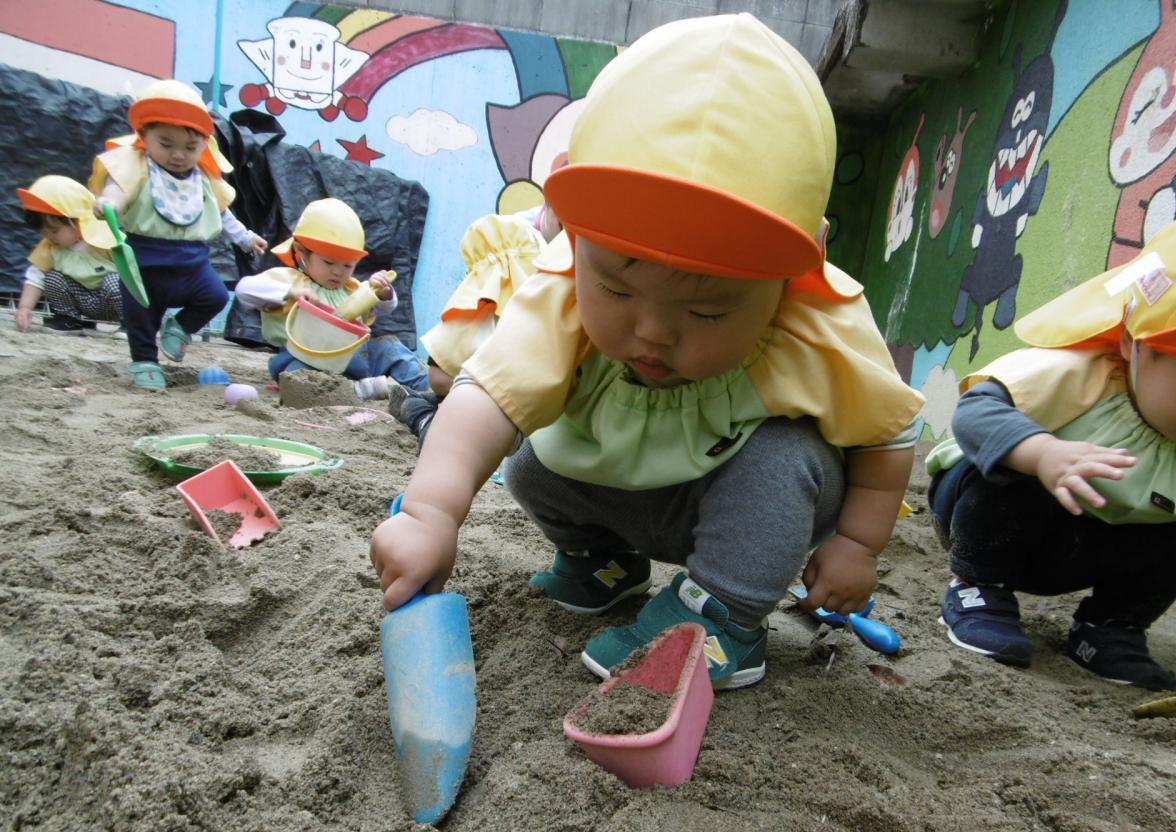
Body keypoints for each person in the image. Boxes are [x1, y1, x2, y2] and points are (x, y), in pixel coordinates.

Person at [370, 14, 924, 690]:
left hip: (737, 508)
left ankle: (725, 616)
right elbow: (484, 398)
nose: (654, 332)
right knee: (528, 454)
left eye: (708, 310)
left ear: (797, 268)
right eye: (617, 287)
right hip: (619, 488)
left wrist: (858, 543)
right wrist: (429, 513)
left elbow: (886, 436)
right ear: (573, 232)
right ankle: (603, 562)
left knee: (786, 457)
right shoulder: (560, 289)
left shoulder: (818, 321)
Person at [927, 207, 1176, 690]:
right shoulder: (1077, 375)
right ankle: (976, 589)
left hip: (1092, 550)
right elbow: (975, 413)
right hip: (992, 524)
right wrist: (1043, 453)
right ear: (1135, 343)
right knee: (1007, 474)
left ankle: (1109, 628)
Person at [90, 79, 267, 391]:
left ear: (203, 145)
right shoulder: (136, 166)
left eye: (189, 147)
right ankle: (145, 361)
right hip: (144, 263)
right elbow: (117, 187)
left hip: (191, 263)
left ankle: (180, 328)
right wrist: (109, 203)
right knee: (141, 317)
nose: (178, 155)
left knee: (215, 296)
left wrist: (245, 238)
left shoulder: (204, 178)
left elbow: (222, 212)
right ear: (144, 136)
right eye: (166, 144)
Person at [391, 202, 562, 443]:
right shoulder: (520, 250)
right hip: (478, 389)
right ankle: (425, 415)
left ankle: (421, 407)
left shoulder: (514, 252)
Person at [234, 197, 430, 400]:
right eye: (328, 262)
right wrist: (290, 292)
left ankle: (427, 387)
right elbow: (244, 289)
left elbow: (385, 308)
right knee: (296, 377)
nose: (338, 271)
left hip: (354, 359)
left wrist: (382, 293)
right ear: (301, 252)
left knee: (390, 348)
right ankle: (355, 390)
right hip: (307, 360)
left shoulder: (352, 288)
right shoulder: (290, 281)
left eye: (348, 265)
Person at [14, 175, 120, 334]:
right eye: (44, 232)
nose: (49, 236)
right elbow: (35, 276)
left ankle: (131, 324)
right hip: (81, 300)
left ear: (76, 221)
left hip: (113, 304)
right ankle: (69, 320)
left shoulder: (105, 240)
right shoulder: (50, 248)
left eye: (54, 231)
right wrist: (25, 307)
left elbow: (134, 274)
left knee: (116, 281)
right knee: (53, 278)